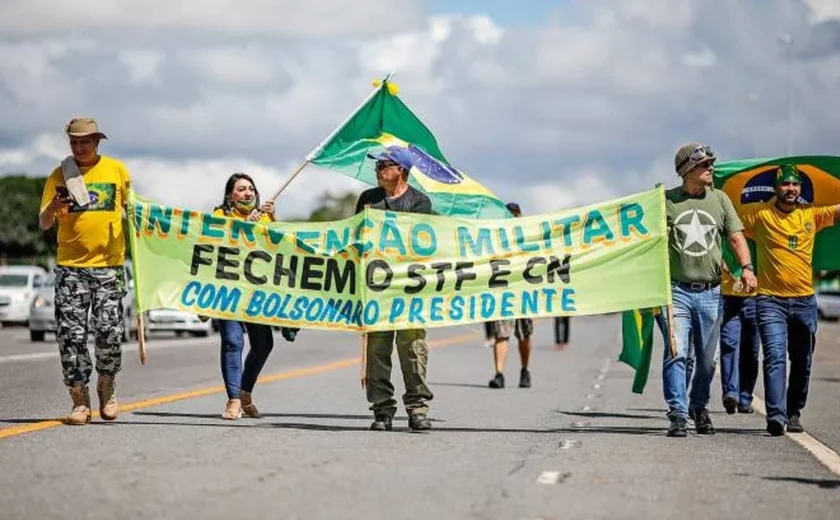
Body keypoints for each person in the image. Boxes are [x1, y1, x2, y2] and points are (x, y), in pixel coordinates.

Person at [659, 143, 756, 438]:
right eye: (705, 165)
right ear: (688, 170)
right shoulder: (665, 201)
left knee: (706, 360)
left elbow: (736, 238)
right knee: (677, 353)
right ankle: (677, 412)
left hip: (712, 292)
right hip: (675, 291)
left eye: (711, 163)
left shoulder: (721, 200)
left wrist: (747, 269)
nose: (711, 169)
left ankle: (699, 406)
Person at [38, 117, 131, 426]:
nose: (79, 148)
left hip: (109, 267)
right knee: (71, 336)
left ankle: (107, 386)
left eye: (84, 142)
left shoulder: (117, 170)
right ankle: (80, 401)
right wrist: (52, 206)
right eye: (74, 142)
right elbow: (44, 223)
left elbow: (133, 209)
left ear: (97, 141)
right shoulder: (60, 175)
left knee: (110, 333)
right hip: (71, 269)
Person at [740, 165, 840, 435]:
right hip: (770, 300)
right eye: (785, 184)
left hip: (805, 302)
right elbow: (729, 224)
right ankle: (775, 415)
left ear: (801, 189)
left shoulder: (812, 215)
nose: (791, 189)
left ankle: (794, 411)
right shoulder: (760, 215)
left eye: (795, 185)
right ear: (776, 188)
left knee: (802, 360)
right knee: (774, 356)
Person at [356, 151, 434, 432]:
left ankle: (417, 408)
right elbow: (356, 236)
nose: (377, 170)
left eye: (383, 165)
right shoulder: (368, 199)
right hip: (377, 291)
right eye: (376, 165)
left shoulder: (420, 202)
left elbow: (416, 241)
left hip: (409, 292)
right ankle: (382, 410)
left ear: (400, 169)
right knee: (377, 351)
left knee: (413, 350)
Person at [212, 173, 297, 420]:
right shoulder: (219, 216)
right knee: (233, 341)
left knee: (263, 345)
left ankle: (245, 391)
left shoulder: (265, 217)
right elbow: (216, 245)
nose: (248, 193)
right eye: (241, 189)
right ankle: (234, 400)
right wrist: (245, 226)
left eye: (251, 189)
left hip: (257, 293)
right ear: (230, 195)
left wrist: (274, 219)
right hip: (229, 291)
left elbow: (279, 248)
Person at [487, 202, 534, 389]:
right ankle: (499, 374)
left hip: (523, 292)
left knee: (524, 335)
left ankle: (525, 370)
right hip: (503, 292)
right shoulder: (496, 241)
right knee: (501, 335)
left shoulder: (527, 240)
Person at [719, 262, 760, 415]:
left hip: (754, 297)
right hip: (728, 296)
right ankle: (731, 394)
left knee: (751, 351)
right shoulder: (724, 236)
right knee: (729, 344)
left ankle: (745, 398)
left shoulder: (760, 236)